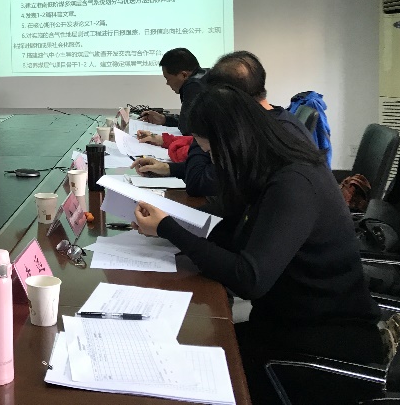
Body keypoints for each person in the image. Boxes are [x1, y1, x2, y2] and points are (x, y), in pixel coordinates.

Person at [132, 85, 384, 403]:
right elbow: (232, 230)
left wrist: (169, 228)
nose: (213, 161)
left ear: (232, 142)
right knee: (177, 348)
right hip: (283, 324)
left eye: (212, 152)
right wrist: (173, 224)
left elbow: (250, 278)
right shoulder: (268, 167)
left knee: (179, 370)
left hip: (321, 349)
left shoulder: (293, 183)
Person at [133, 50, 313, 196]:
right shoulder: (276, 121)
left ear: (229, 97)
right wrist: (169, 168)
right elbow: (215, 173)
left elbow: (199, 181)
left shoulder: (256, 138)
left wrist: (206, 126)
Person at [138, 48, 207, 135]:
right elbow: (189, 122)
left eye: (168, 79)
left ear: (183, 75)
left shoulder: (194, 86)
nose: (167, 83)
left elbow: (186, 128)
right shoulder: (205, 76)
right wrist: (164, 119)